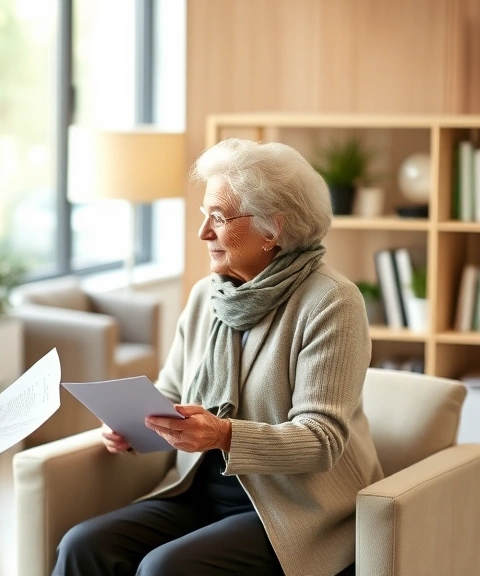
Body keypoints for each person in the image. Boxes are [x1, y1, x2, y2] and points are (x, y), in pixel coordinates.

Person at [54, 138, 383, 576]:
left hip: (293, 509)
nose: (203, 233)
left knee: (164, 568)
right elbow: (171, 390)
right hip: (199, 491)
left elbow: (321, 439)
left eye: (219, 217)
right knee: (83, 545)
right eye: (203, 215)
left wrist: (225, 435)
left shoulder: (332, 302)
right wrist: (134, 425)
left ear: (273, 229)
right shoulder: (207, 295)